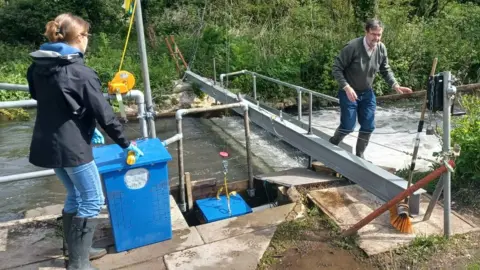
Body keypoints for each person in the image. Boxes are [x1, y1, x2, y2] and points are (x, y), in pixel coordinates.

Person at [26, 13, 144, 269]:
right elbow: (106, 115)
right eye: (87, 35)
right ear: (79, 37)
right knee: (92, 200)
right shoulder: (80, 72)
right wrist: (126, 143)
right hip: (73, 148)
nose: (87, 40)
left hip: (48, 143)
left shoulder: (37, 67)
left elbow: (43, 98)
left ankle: (80, 251)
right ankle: (79, 264)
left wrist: (82, 121)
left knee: (75, 195)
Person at [330, 18, 412, 159]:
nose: (377, 38)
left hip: (367, 93)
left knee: (368, 126)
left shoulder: (381, 48)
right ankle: (332, 145)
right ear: (366, 32)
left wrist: (395, 85)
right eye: (374, 34)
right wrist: (347, 87)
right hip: (349, 91)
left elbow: (385, 69)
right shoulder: (352, 47)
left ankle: (360, 155)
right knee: (348, 126)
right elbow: (336, 68)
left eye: (379, 35)